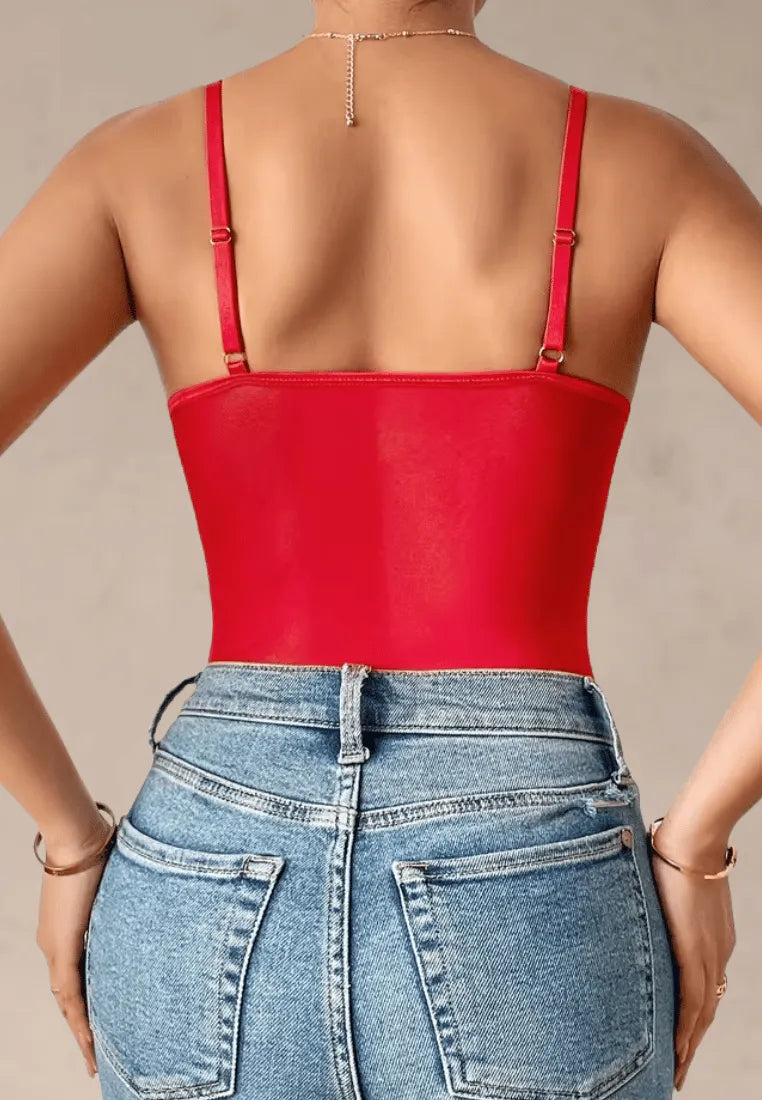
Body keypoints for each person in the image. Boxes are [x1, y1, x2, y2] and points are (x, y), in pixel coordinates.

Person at [0, 1, 759, 1097]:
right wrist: (700, 842)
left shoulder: (136, 165)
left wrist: (69, 838)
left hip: (209, 857)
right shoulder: (643, 163)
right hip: (526, 858)